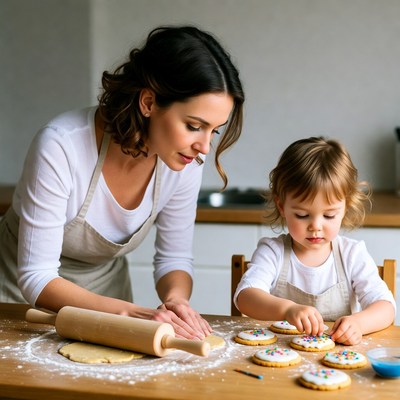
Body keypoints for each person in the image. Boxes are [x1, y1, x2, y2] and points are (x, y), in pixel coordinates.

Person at [0, 25, 244, 340]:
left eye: (215, 130)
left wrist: (176, 300)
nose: (205, 147)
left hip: (108, 293)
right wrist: (131, 313)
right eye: (194, 125)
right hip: (15, 299)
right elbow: (36, 276)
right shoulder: (61, 146)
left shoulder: (184, 160)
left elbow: (174, 258)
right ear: (148, 102)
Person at [234, 137, 396, 345]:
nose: (316, 226)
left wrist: (359, 324)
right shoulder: (273, 252)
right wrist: (287, 309)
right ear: (282, 206)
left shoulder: (352, 255)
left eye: (329, 216)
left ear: (345, 207)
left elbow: (386, 307)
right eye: (302, 215)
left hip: (337, 362)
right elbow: (246, 297)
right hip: (279, 360)